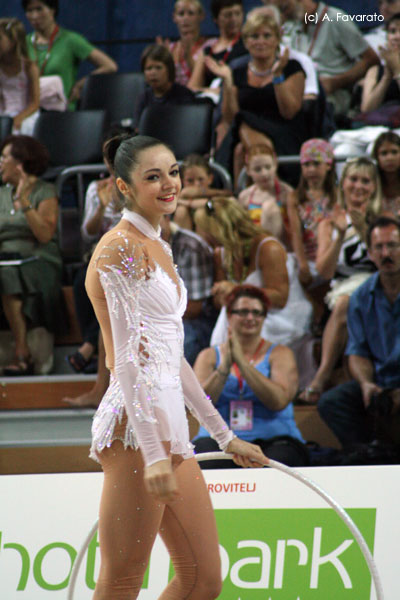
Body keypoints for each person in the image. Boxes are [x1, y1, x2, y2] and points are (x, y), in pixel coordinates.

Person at [85, 134, 268, 598]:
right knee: (123, 578)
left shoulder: (160, 243)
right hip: (135, 427)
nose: (169, 184)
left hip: (170, 427)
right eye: (152, 177)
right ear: (124, 187)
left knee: (203, 579)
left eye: (172, 172)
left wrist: (224, 437)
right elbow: (125, 360)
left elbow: (173, 357)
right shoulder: (119, 248)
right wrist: (151, 450)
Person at [193, 284, 309, 467]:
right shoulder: (208, 356)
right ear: (229, 316)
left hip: (274, 438)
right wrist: (224, 367)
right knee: (206, 459)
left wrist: (243, 364)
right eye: (243, 312)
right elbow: (199, 405)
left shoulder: (280, 353)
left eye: (257, 313)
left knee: (281, 461)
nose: (250, 318)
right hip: (218, 440)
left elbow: (278, 401)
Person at [299, 157, 382, 403]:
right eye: (353, 179)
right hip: (342, 289)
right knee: (347, 303)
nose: (359, 186)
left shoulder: (383, 220)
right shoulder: (329, 223)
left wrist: (365, 232)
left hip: (377, 283)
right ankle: (326, 377)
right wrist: (341, 234)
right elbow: (324, 272)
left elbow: (390, 262)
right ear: (342, 184)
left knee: (353, 302)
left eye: (365, 181)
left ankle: (323, 379)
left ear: (374, 187)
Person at [318, 216, 400, 448]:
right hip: (381, 381)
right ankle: (370, 455)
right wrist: (366, 383)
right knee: (332, 402)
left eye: (392, 245)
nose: (386, 253)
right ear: (371, 254)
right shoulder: (360, 297)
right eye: (379, 247)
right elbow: (357, 353)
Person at [194, 196, 314, 350]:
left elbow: (280, 298)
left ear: (219, 231)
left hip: (279, 317)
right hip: (243, 314)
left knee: (240, 336)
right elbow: (219, 302)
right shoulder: (221, 254)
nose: (200, 235)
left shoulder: (269, 248)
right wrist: (221, 294)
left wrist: (237, 292)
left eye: (204, 229)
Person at [207, 11, 307, 183]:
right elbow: (231, 117)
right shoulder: (237, 72)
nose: (261, 41)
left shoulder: (291, 68)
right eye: (254, 36)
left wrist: (277, 77)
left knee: (240, 146)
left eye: (267, 36)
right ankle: (261, 189)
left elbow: (289, 112)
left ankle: (246, 198)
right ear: (246, 42)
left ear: (277, 40)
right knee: (240, 137)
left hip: (284, 133)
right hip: (243, 134)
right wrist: (228, 82)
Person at [0, 135, 63, 375]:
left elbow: (45, 235)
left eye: (4, 157)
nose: (0, 162)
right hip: (6, 257)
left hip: (39, 259)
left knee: (6, 275)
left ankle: (22, 351)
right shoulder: (1, 194)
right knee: (5, 271)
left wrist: (25, 202)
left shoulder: (44, 191)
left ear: (20, 163)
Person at [67, 136, 124, 374]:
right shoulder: (96, 188)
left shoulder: (140, 185)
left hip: (130, 257)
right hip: (101, 256)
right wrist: (101, 208)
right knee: (83, 281)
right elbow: (88, 234)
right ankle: (94, 346)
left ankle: (90, 347)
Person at [286, 0, 379, 116]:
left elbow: (371, 60)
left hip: (334, 95)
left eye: (286, 7)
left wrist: (335, 82)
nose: (285, 13)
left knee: (306, 110)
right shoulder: (295, 24)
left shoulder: (336, 18)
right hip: (303, 91)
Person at [22, 0, 117, 109]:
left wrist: (81, 85)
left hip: (61, 110)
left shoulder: (70, 40)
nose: (34, 15)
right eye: (30, 10)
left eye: (39, 9)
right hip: (28, 110)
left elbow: (109, 66)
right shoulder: (23, 43)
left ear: (52, 10)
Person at [287, 138, 337, 287]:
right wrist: (302, 264)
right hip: (306, 256)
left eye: (316, 164)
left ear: (328, 165)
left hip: (330, 256)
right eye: (306, 164)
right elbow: (295, 233)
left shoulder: (338, 195)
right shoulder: (295, 197)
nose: (311, 169)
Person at [238, 144, 293, 247]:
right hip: (255, 247)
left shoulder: (287, 193)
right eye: (257, 169)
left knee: (270, 207)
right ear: (248, 170)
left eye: (268, 167)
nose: (264, 173)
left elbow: (295, 229)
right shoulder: (245, 196)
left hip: (283, 247)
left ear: (275, 165)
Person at [188, 0, 247, 93]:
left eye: (237, 13)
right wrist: (212, 91)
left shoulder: (248, 45)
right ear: (216, 19)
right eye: (228, 15)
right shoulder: (207, 52)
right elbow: (192, 87)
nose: (234, 19)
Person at [134, 43, 196, 129]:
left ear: (169, 69)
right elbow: (137, 129)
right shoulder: (143, 98)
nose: (153, 73)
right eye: (148, 68)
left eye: (158, 67)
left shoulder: (184, 95)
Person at [0, 18, 40, 135]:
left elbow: (35, 103)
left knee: (20, 130)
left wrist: (19, 118)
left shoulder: (29, 67)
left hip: (26, 114)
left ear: (13, 41)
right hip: (5, 113)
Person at [174, 153, 231, 232]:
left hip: (213, 238)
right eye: (190, 180)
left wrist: (185, 202)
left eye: (201, 179)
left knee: (202, 214)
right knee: (181, 211)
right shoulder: (182, 194)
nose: (196, 184)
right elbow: (189, 192)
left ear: (210, 179)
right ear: (182, 181)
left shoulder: (217, 195)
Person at [157, 0, 208, 87]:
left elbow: (207, 79)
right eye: (181, 14)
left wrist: (188, 57)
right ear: (174, 17)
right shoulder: (170, 48)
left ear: (201, 16)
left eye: (191, 13)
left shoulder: (209, 46)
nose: (185, 18)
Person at [361, 12, 400, 114]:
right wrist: (386, 77)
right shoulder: (375, 71)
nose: (397, 37)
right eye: (392, 31)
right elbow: (366, 110)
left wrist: (397, 71)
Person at [372, 130, 400, 216]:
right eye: (384, 153)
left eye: (394, 152)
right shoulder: (370, 181)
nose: (389, 158)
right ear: (377, 157)